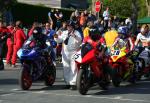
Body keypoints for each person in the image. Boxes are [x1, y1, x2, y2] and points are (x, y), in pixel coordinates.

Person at [55, 20, 82, 90]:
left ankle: (73, 84)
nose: (68, 27)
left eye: (70, 26)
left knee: (73, 68)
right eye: (68, 26)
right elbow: (59, 40)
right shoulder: (64, 32)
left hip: (74, 52)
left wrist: (75, 36)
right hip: (65, 52)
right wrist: (56, 35)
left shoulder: (76, 32)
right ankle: (67, 83)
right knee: (66, 68)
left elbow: (80, 40)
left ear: (72, 27)